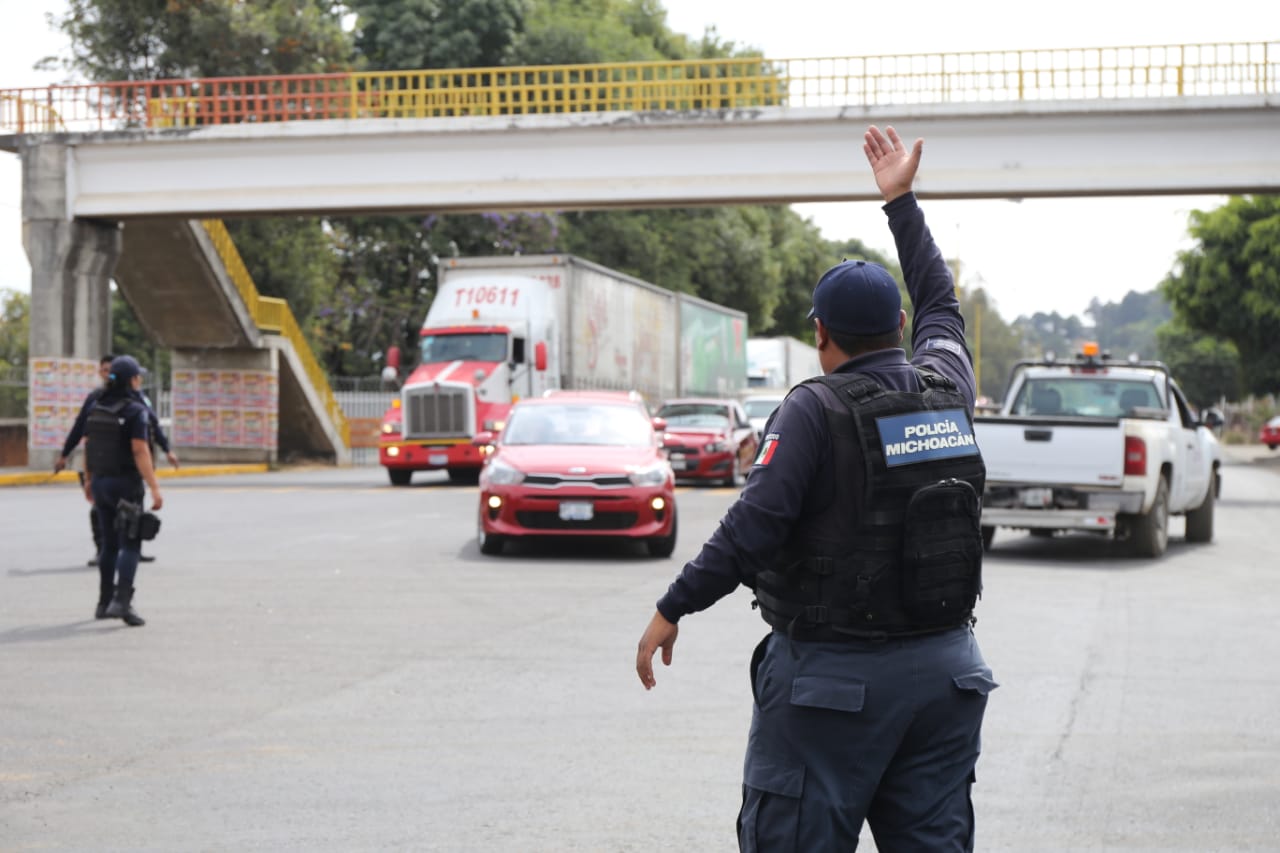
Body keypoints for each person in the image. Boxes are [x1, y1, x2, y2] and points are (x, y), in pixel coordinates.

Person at [635, 125, 998, 851]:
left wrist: (673, 605)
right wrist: (902, 203)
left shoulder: (814, 408)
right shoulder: (949, 387)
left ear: (821, 334)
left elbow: (755, 525)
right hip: (949, 676)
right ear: (898, 326)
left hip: (834, 685)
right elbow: (942, 303)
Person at [56, 354, 178, 564]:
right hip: (103, 468)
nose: (107, 374)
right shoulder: (96, 401)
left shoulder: (137, 401)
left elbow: (153, 425)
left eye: (110, 370)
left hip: (127, 468)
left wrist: (166, 449)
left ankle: (129, 552)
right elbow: (83, 433)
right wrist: (67, 456)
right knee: (100, 511)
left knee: (133, 513)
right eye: (104, 370)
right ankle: (104, 551)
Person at [83, 355, 164, 626]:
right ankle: (122, 601)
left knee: (109, 544)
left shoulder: (96, 406)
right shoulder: (134, 410)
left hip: (101, 482)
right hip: (126, 484)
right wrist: (154, 487)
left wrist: (88, 480)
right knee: (130, 543)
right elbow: (140, 449)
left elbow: (88, 445)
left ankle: (103, 602)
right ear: (133, 380)